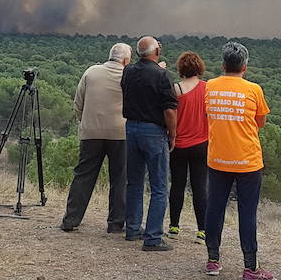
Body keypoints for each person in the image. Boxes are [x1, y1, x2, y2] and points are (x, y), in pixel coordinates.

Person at [203, 41, 274, 280]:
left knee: (215, 208)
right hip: (247, 161)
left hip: (217, 158)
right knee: (247, 212)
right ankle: (250, 267)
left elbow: (207, 114)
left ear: (223, 65)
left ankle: (213, 259)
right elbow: (260, 122)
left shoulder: (210, 86)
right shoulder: (254, 89)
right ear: (245, 66)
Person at [60, 42, 131, 233]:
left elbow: (78, 102)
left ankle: (71, 220)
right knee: (119, 178)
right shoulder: (128, 75)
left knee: (83, 176)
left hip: (91, 133)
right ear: (125, 60)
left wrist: (84, 123)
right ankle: (115, 224)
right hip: (120, 134)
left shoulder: (91, 72)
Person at [121, 36, 178, 251]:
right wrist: (172, 135)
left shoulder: (128, 71)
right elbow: (170, 110)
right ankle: (153, 238)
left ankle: (133, 229)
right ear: (156, 51)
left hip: (131, 129)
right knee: (159, 187)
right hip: (154, 132)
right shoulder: (162, 75)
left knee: (134, 182)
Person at [168, 50, 209, 239]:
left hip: (178, 143)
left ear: (181, 68)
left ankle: (174, 226)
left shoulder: (176, 89)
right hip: (201, 143)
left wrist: (172, 136)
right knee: (200, 186)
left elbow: (170, 115)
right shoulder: (207, 89)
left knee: (177, 185)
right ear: (199, 67)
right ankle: (202, 229)